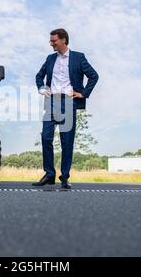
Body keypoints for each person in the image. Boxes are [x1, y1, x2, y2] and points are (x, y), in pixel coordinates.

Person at [34, 28, 99, 189]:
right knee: (46, 137)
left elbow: (94, 76)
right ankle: (49, 175)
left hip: (69, 102)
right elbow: (39, 76)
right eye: (51, 40)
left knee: (67, 141)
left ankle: (64, 177)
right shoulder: (50, 59)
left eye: (53, 40)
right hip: (51, 102)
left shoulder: (78, 57)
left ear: (63, 40)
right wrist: (42, 88)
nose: (51, 43)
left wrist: (83, 93)